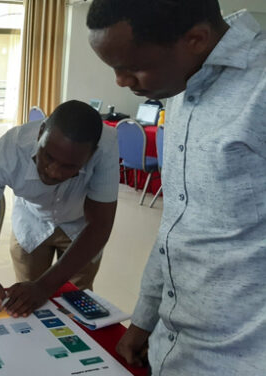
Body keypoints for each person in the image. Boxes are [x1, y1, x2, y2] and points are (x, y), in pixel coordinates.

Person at [87, 1, 266, 375]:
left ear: (196, 39)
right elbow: (177, 224)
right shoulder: (181, 84)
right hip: (173, 346)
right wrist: (145, 317)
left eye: (132, 67)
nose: (119, 82)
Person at [0, 100, 119, 318]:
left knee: (76, 309)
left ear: (91, 155)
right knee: (25, 305)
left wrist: (45, 287)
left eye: (69, 166)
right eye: (48, 156)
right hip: (31, 222)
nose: (54, 172)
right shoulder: (8, 151)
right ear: (41, 133)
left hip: (81, 230)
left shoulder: (107, 146)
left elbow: (100, 226)